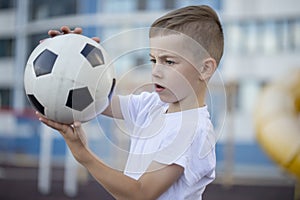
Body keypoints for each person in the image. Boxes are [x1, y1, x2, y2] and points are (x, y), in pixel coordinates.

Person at [37, 5, 224, 200]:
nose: (156, 71)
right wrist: (75, 57)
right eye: (153, 60)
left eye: (169, 62)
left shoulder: (192, 130)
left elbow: (140, 194)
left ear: (205, 69)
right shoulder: (153, 105)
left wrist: (83, 154)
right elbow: (98, 100)